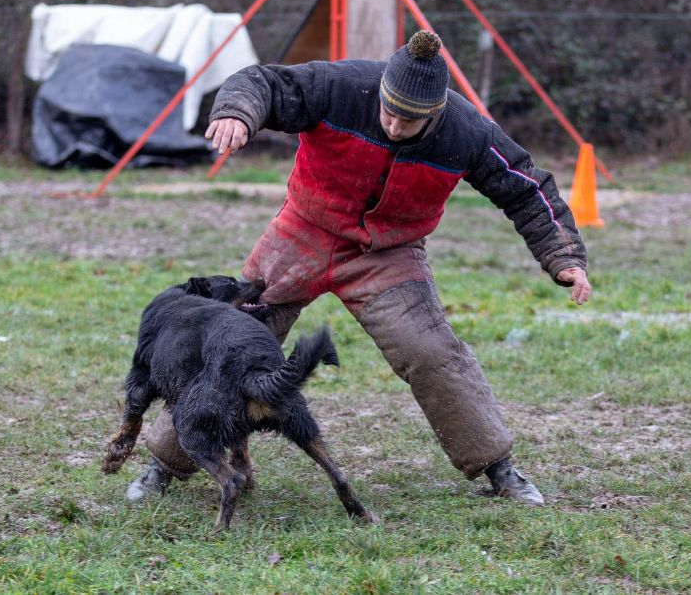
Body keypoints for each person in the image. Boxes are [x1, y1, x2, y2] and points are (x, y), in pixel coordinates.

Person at [127, 30, 591, 507]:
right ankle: (165, 462)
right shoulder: (342, 86)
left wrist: (565, 258)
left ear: (436, 112)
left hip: (388, 253)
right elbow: (263, 82)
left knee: (431, 350)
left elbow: (528, 189)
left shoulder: (468, 133)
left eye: (408, 120)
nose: (392, 125)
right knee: (229, 337)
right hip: (301, 232)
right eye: (388, 111)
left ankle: (499, 468)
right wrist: (237, 113)